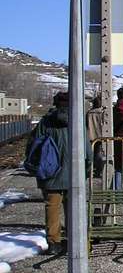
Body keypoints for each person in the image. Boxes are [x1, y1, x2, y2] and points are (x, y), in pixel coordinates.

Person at [26, 92, 91, 255]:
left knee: (52, 206)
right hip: (74, 173)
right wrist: (87, 168)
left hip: (50, 171)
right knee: (73, 207)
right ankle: (73, 238)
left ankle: (54, 242)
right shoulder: (77, 122)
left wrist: (33, 167)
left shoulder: (46, 122)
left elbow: (34, 145)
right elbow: (87, 149)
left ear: (56, 103)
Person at [86, 96, 105, 176]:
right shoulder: (102, 112)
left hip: (90, 135)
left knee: (92, 153)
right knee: (99, 153)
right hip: (101, 135)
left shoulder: (89, 113)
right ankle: (99, 170)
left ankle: (91, 168)